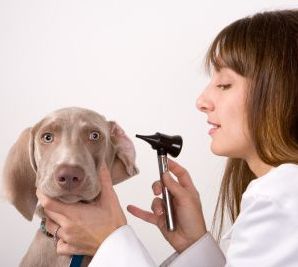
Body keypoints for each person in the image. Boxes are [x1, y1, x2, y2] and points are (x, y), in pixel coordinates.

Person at [36, 9, 298, 266]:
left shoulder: (279, 199)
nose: (202, 101)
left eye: (225, 84)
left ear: (282, 94)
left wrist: (110, 243)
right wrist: (196, 246)